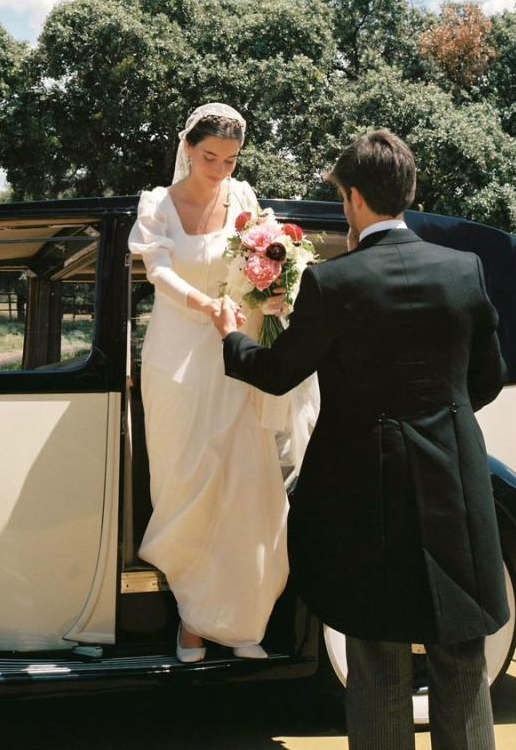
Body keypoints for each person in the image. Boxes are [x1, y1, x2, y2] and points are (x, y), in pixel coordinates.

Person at [213, 129, 509, 749]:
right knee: (461, 654)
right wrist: (441, 419)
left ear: (351, 200)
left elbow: (275, 373)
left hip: (367, 495)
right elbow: (488, 379)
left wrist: (232, 335)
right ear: (410, 191)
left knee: (376, 655)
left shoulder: (333, 283)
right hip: (453, 485)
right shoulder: (464, 271)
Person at [127, 102, 316, 663]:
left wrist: (274, 293)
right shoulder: (158, 204)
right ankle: (191, 623)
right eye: (210, 156)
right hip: (179, 353)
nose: (220, 168)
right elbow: (156, 270)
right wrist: (205, 303)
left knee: (245, 487)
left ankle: (240, 623)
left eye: (231, 159)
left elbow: (262, 256)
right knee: (188, 483)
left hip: (237, 348)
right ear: (188, 147)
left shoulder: (245, 197)